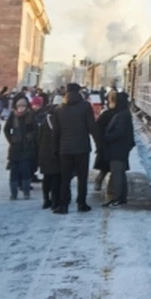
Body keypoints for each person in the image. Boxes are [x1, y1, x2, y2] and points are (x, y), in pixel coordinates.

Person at [52, 83, 100, 214]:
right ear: (78, 92)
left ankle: (63, 205)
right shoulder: (85, 106)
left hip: (65, 149)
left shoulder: (59, 108)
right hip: (82, 148)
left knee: (65, 179)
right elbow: (92, 127)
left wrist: (55, 149)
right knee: (82, 178)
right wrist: (99, 144)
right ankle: (81, 203)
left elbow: (56, 132)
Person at [103, 92, 135, 207]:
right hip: (120, 148)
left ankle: (117, 199)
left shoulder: (121, 115)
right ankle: (121, 197)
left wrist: (106, 137)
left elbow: (119, 132)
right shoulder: (124, 113)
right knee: (120, 173)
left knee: (117, 174)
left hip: (117, 148)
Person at [4, 96, 37, 200]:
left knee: (25, 170)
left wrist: (30, 137)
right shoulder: (13, 116)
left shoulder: (31, 115)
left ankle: (26, 192)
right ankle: (13, 193)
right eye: (19, 105)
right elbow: (6, 129)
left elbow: (36, 129)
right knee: (14, 171)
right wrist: (11, 140)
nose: (21, 108)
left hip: (27, 148)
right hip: (15, 147)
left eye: (23, 105)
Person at [36, 103, 62, 210]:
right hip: (56, 153)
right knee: (56, 177)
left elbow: (38, 139)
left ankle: (46, 200)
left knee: (47, 177)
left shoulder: (44, 123)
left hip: (44, 154)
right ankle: (55, 201)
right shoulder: (59, 122)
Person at [93, 91, 118, 195]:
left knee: (105, 167)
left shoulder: (106, 114)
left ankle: (99, 181)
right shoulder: (120, 114)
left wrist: (99, 142)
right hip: (115, 145)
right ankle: (111, 189)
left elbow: (97, 128)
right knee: (114, 169)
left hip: (105, 145)